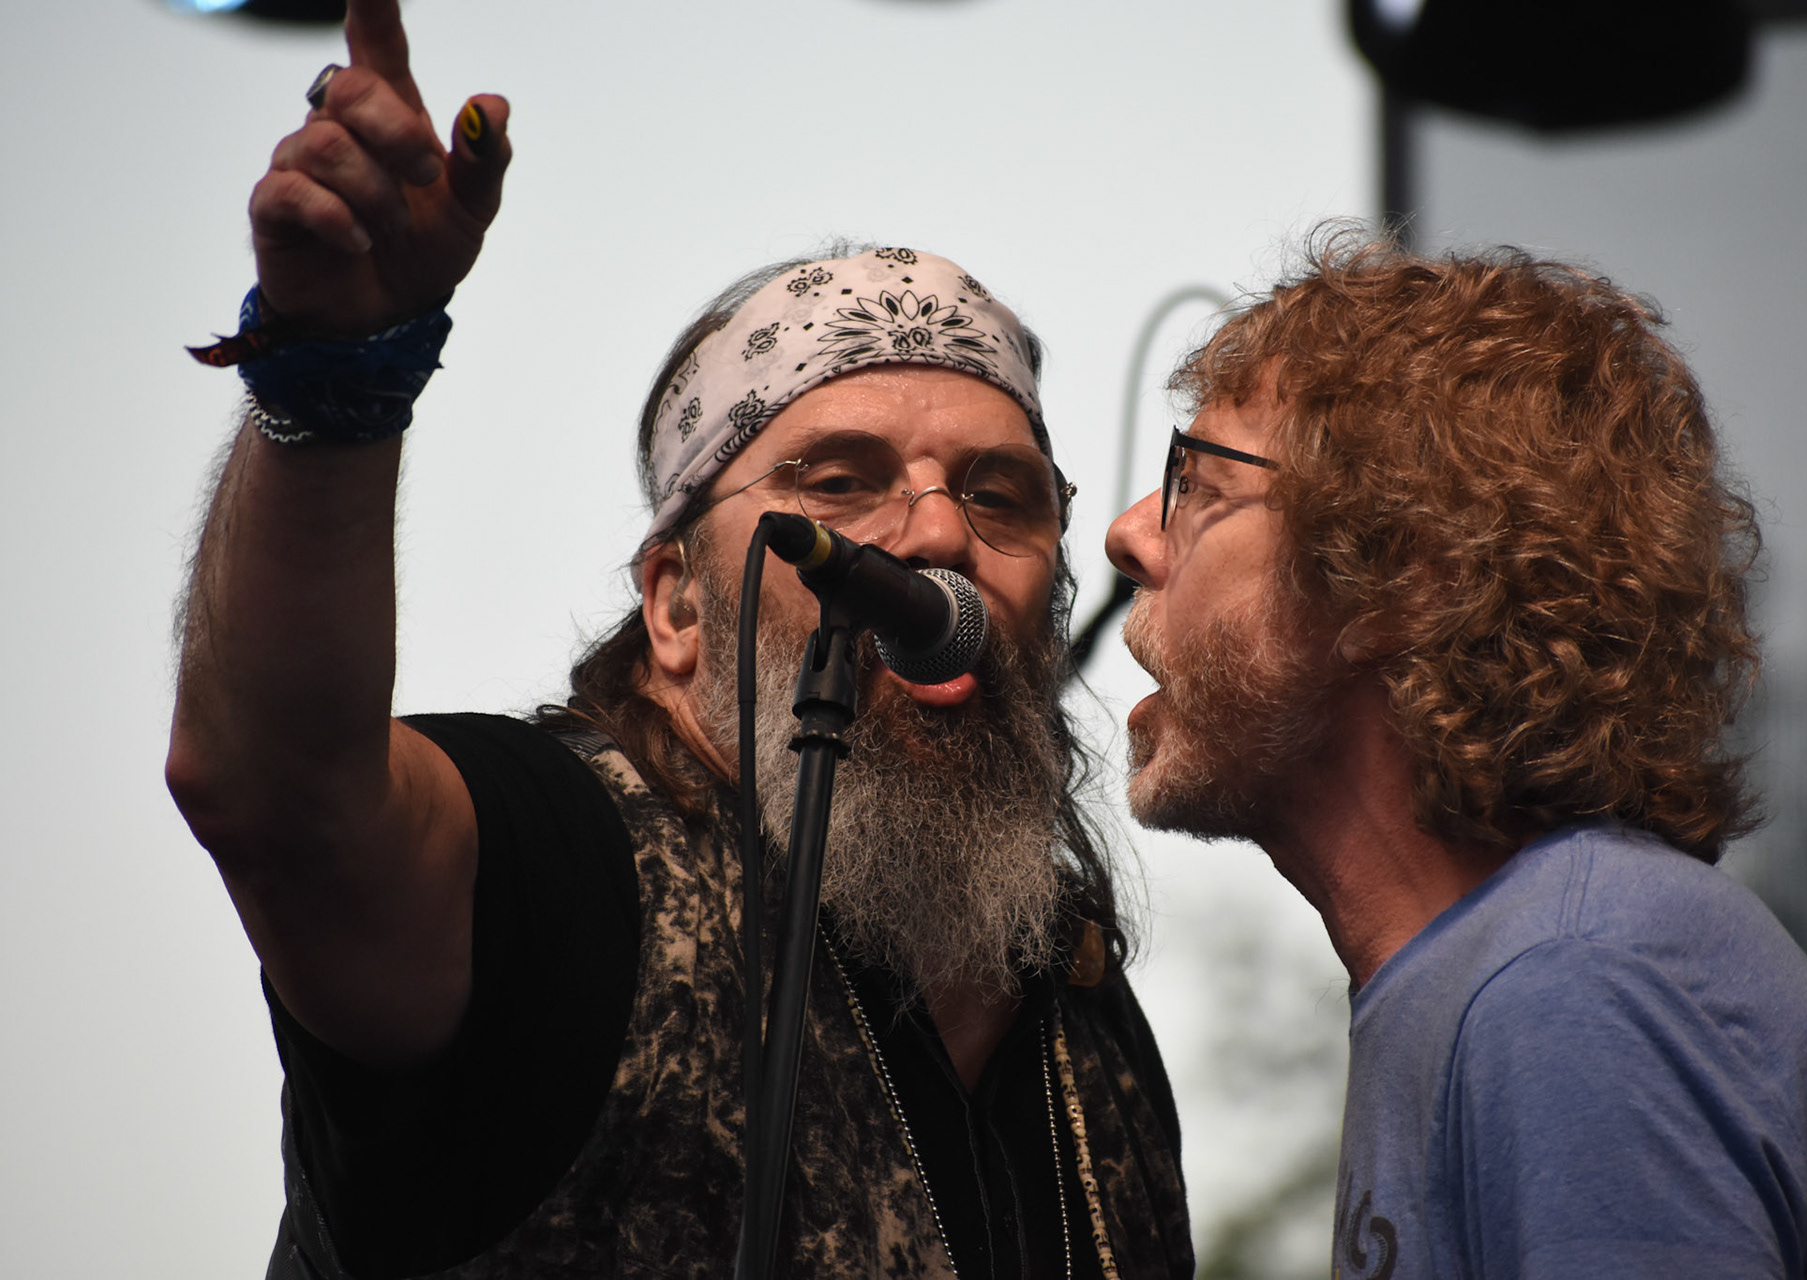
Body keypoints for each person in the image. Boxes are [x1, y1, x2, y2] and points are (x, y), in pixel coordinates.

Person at [165, 2, 1191, 1276]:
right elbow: (280, 797)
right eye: (839, 481)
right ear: (677, 605)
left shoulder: (1083, 1014)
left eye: (1000, 494)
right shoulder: (561, 866)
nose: (937, 531)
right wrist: (335, 377)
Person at [1103, 231, 1807, 1279]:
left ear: (1400, 577)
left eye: (1204, 485)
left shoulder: (1571, 984)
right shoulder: (1506, 973)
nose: (1132, 532)